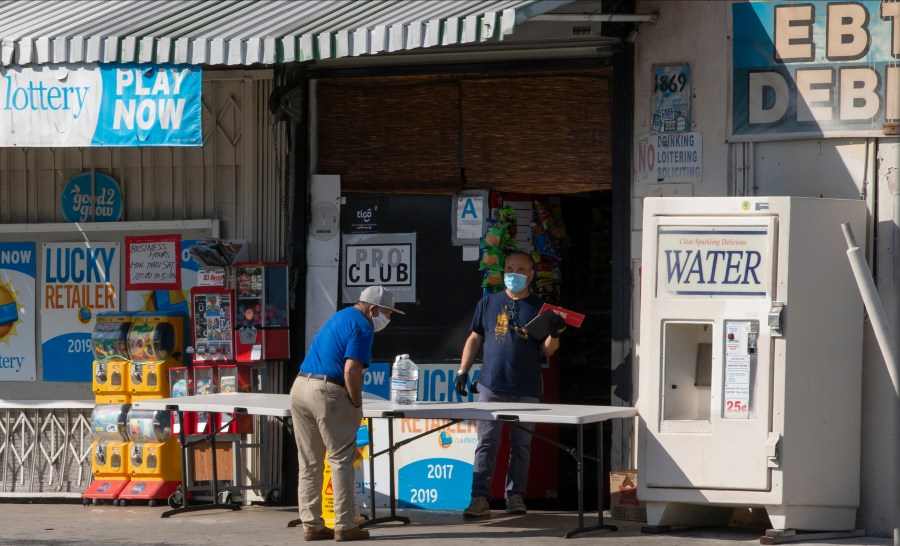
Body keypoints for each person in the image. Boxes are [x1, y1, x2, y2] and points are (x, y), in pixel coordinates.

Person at [455, 250, 566, 519]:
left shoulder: (540, 309)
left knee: (521, 445)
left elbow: (548, 350)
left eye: (519, 270)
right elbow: (474, 338)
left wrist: (555, 332)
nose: (513, 274)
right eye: (509, 269)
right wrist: (462, 371)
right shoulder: (488, 303)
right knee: (486, 443)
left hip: (526, 387)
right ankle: (479, 498)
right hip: (491, 385)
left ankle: (515, 496)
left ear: (530, 275)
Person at [290, 285, 404, 542]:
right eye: (387, 312)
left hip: (300, 387)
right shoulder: (363, 327)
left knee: (309, 463)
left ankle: (312, 525)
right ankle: (344, 525)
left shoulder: (339, 316)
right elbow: (351, 370)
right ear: (373, 309)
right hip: (327, 391)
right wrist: (355, 403)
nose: (389, 318)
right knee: (341, 459)